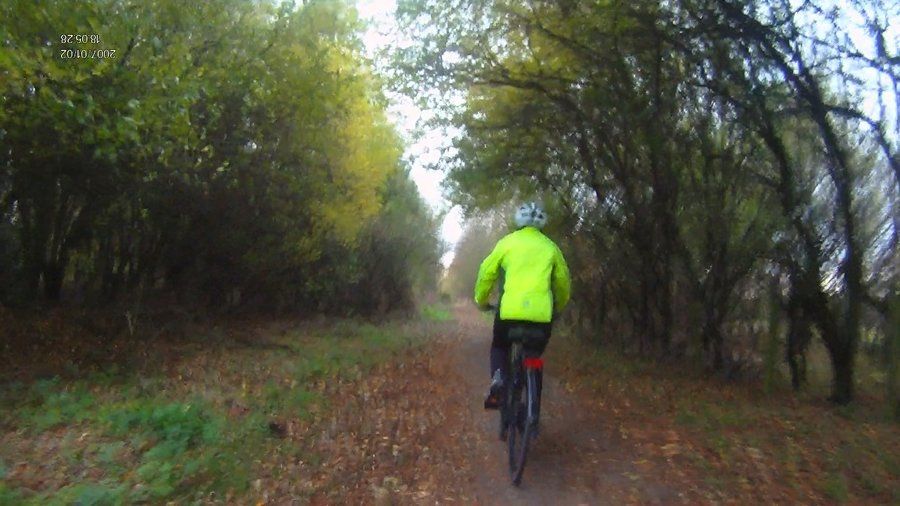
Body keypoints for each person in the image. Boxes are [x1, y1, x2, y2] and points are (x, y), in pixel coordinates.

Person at [474, 202, 571, 411]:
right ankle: (532, 398)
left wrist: (481, 300)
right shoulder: (550, 247)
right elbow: (563, 282)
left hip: (509, 313)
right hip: (541, 316)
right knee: (534, 353)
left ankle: (499, 377)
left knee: (499, 346)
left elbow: (486, 272)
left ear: (518, 221)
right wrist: (559, 306)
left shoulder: (507, 243)